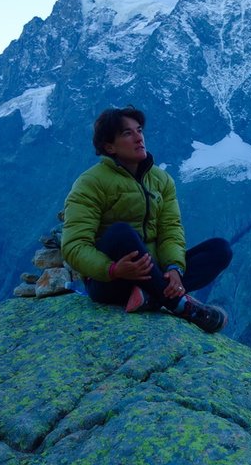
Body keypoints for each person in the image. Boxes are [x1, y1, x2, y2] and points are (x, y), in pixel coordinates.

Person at [58, 105, 232, 333]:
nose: (139, 137)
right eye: (127, 133)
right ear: (109, 147)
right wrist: (113, 269)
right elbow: (73, 246)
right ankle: (181, 305)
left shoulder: (162, 180)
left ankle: (152, 294)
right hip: (111, 281)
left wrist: (174, 269)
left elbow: (171, 229)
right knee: (121, 233)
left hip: (154, 272)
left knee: (220, 249)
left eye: (139, 130)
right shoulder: (90, 183)